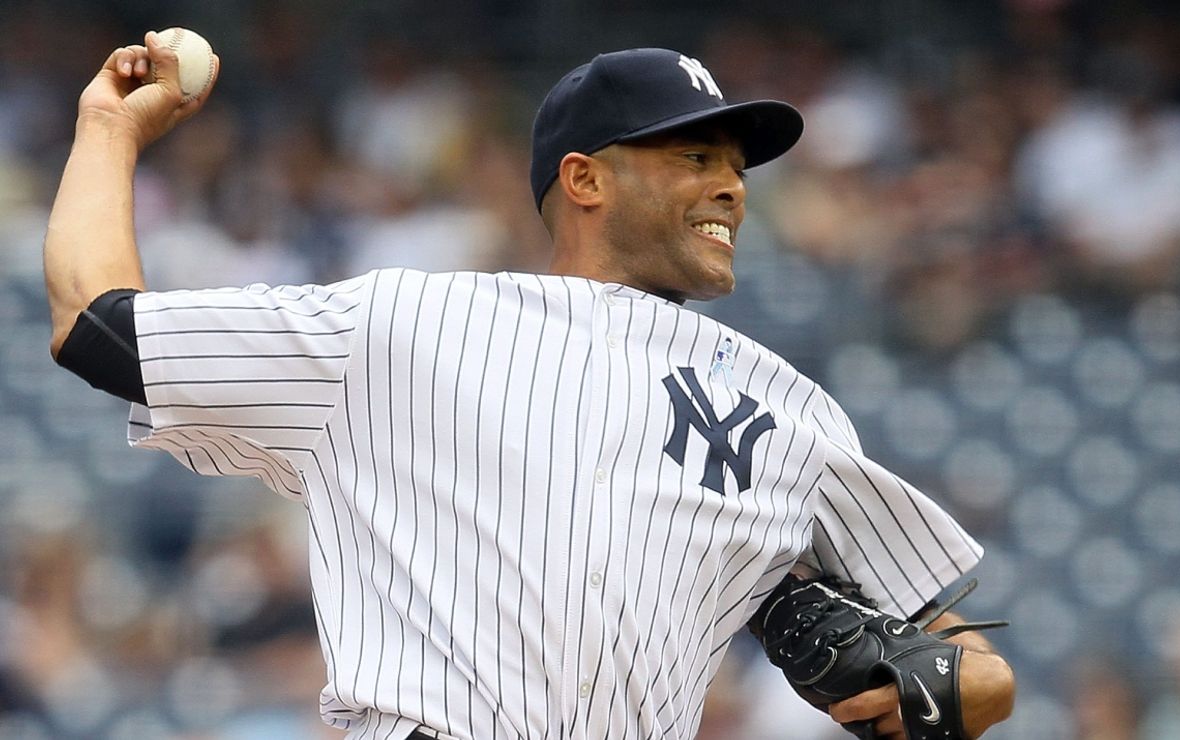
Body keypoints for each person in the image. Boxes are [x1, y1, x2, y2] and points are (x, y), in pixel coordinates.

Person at [44, 32, 1014, 739]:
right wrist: (106, 131)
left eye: (735, 165)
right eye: (694, 156)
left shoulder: (788, 409)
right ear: (585, 180)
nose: (732, 186)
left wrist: (929, 688)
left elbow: (980, 674)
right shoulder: (402, 323)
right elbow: (96, 320)